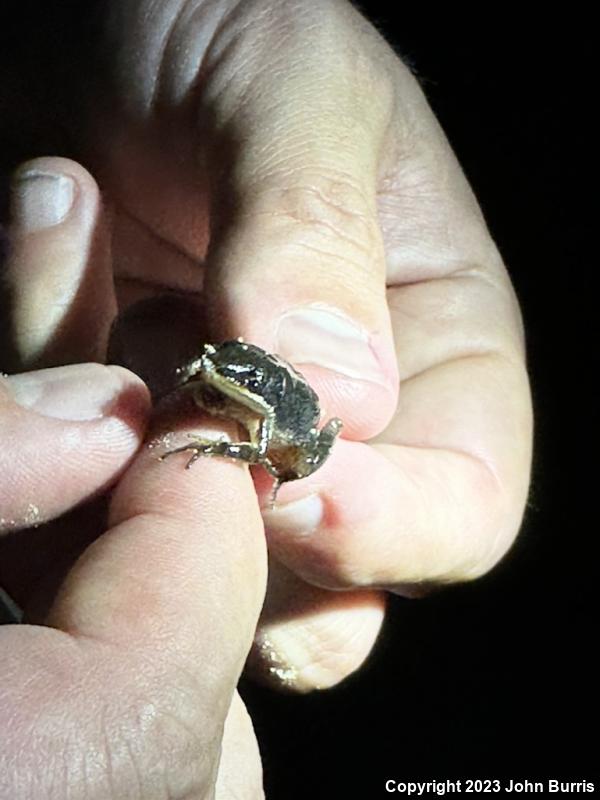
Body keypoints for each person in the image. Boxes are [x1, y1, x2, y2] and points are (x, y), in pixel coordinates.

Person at [0, 1, 532, 796]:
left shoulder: (272, 405)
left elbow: (275, 431)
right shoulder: (224, 361)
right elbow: (216, 377)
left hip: (285, 428)